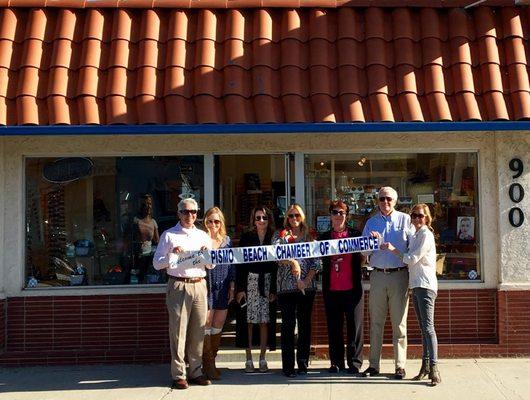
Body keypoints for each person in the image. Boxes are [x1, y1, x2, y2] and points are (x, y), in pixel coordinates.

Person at [153, 198, 213, 390]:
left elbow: (212, 264)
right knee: (178, 331)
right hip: (179, 285)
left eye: (194, 211)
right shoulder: (169, 235)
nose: (190, 215)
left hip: (199, 284)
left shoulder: (204, 235)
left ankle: (196, 370)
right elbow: (157, 263)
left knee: (198, 331)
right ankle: (179, 374)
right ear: (179, 213)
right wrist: (173, 255)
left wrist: (206, 255)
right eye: (186, 212)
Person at [381, 204, 441, 386]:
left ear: (427, 218)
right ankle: (425, 367)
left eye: (420, 216)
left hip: (425, 285)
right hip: (416, 284)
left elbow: (412, 258)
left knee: (429, 328)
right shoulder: (415, 234)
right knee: (424, 328)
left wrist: (393, 250)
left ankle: (435, 369)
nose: (416, 219)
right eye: (413, 216)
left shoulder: (425, 235)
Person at [361, 186, 411, 380]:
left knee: (399, 324)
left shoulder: (405, 220)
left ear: (395, 201)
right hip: (378, 276)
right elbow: (363, 254)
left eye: (389, 199)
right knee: (376, 322)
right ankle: (374, 365)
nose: (385, 202)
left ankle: (400, 365)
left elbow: (411, 250)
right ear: (377, 201)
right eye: (382, 199)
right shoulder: (371, 222)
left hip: (399, 275)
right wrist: (369, 243)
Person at [273, 203, 321, 378]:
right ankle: (288, 366)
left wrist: (307, 280)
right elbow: (276, 255)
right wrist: (292, 261)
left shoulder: (310, 235)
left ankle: (302, 363)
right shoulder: (280, 235)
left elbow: (317, 261)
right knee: (287, 326)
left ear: (302, 217)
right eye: (291, 216)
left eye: (297, 216)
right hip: (286, 287)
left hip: (306, 288)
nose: (294, 219)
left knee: (304, 325)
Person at [319, 200, 364, 374]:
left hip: (352, 289)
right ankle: (336, 362)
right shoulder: (323, 238)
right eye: (335, 212)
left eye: (342, 213)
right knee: (334, 327)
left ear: (347, 215)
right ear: (330, 215)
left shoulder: (355, 235)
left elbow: (363, 256)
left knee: (355, 327)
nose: (338, 216)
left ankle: (355, 363)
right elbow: (316, 260)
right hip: (332, 290)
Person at [235, 206, 277, 373]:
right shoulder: (247, 237)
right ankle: (248, 359)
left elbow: (276, 265)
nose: (261, 221)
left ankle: (262, 358)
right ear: (253, 220)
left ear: (269, 220)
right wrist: (240, 288)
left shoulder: (274, 237)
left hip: (267, 281)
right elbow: (240, 265)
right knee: (249, 321)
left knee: (264, 321)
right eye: (258, 218)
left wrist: (274, 289)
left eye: (264, 218)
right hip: (250, 281)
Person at [202, 207, 234, 380]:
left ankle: (212, 361)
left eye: (216, 221)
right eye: (209, 221)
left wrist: (233, 286)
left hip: (222, 286)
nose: (213, 224)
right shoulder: (200, 239)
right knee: (206, 324)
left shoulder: (227, 241)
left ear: (221, 223)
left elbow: (232, 264)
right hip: (205, 285)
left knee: (218, 324)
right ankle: (207, 365)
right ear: (205, 222)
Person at [133, 194, 159, 282]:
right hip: (137, 256)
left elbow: (157, 241)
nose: (148, 207)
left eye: (149, 204)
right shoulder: (136, 221)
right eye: (144, 204)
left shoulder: (153, 222)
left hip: (149, 256)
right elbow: (130, 239)